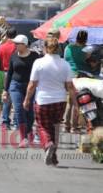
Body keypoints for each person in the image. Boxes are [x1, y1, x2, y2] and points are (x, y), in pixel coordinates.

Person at [23, 38, 78, 166]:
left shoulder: (39, 62)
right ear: (58, 48)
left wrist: (26, 99)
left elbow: (32, 84)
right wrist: (75, 104)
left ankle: (48, 144)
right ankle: (53, 157)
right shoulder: (65, 64)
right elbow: (70, 86)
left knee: (43, 126)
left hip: (43, 100)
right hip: (60, 100)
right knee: (56, 127)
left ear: (45, 48)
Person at [3, 34, 39, 148]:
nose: (15, 45)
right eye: (15, 43)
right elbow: (9, 74)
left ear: (24, 44)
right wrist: (5, 90)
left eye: (17, 43)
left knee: (29, 111)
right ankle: (23, 137)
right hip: (15, 85)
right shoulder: (13, 56)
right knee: (19, 109)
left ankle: (29, 131)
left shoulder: (35, 56)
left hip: (30, 86)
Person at [64, 30, 90, 133]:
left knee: (70, 102)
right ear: (86, 39)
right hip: (80, 77)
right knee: (77, 103)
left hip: (69, 76)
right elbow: (88, 62)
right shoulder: (87, 49)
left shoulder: (68, 47)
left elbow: (65, 60)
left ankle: (66, 125)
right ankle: (74, 127)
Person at [0, 27, 17, 130]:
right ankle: (16, 121)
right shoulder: (17, 47)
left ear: (6, 35)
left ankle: (5, 121)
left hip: (4, 73)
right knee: (16, 99)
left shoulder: (1, 47)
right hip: (15, 73)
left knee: (6, 99)